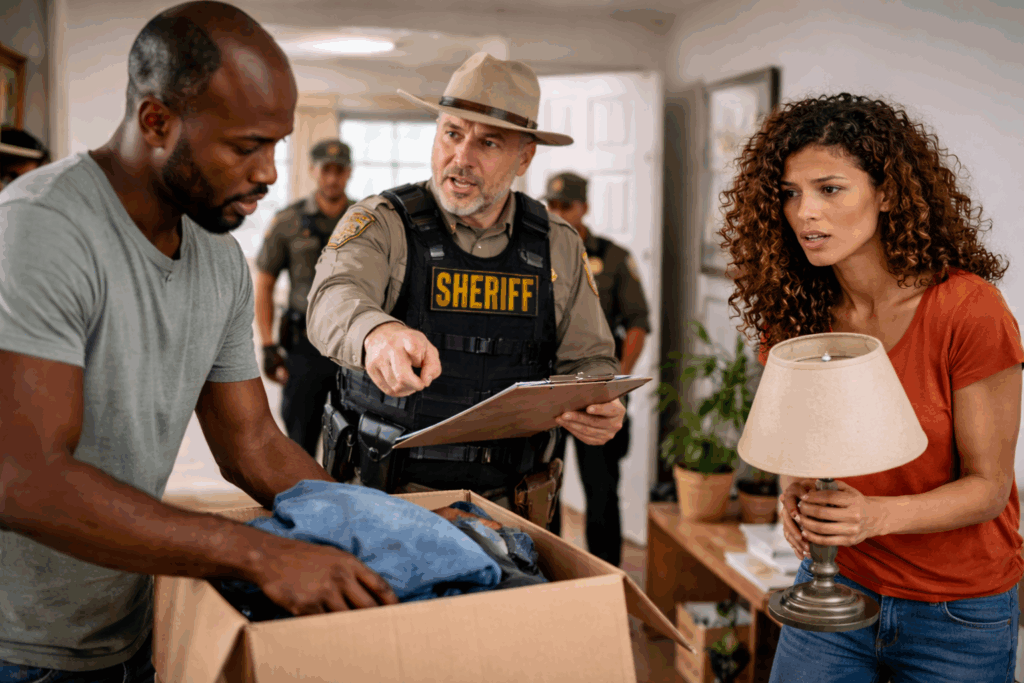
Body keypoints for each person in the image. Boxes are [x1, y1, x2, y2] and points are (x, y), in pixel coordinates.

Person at [0, 3, 398, 681]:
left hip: (133, 619)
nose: (271, 172)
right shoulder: (42, 229)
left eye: (277, 143)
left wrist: (378, 533)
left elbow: (253, 446)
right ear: (157, 122)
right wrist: (254, 552)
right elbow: (23, 477)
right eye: (248, 146)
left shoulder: (216, 258)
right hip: (20, 646)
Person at [720, 92, 1022, 682]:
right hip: (836, 586)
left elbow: (989, 488)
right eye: (790, 193)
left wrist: (873, 516)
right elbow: (805, 437)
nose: (806, 212)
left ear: (887, 193)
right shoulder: (797, 309)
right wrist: (797, 487)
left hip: (956, 613)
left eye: (830, 189)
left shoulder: (967, 309)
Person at [306, 52, 625, 527]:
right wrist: (376, 333)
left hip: (515, 510)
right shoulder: (380, 222)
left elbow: (590, 362)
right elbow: (332, 297)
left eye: (488, 142)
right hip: (386, 500)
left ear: (525, 156)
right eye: (452, 133)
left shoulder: (557, 244)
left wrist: (600, 404)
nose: (462, 158)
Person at [543, 170, 650, 564]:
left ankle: (608, 576)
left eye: (565, 205)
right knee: (543, 489)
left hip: (595, 393)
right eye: (551, 205)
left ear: (583, 207)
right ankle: (545, 573)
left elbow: (638, 322)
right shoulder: (534, 252)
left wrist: (617, 380)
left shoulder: (613, 257)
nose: (557, 212)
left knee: (602, 489)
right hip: (544, 390)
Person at [256, 138, 354, 457]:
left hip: (351, 347)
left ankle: (343, 505)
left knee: (350, 442)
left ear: (349, 173)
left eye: (339, 171)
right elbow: (264, 284)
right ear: (313, 171)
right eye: (326, 170)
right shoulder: (289, 220)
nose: (332, 178)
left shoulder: (365, 221)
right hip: (303, 347)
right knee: (299, 440)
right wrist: (268, 346)